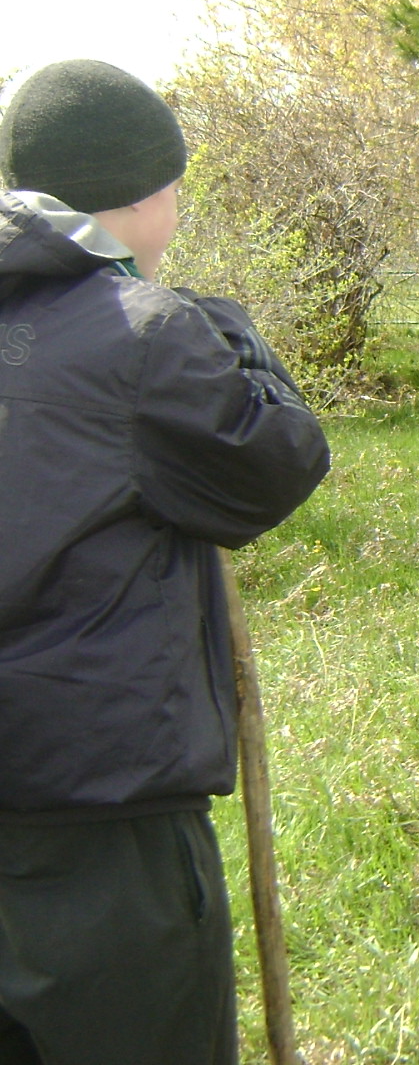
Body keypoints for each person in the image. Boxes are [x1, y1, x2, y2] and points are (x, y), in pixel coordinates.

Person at [0, 59, 331, 1063]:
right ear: (141, 193)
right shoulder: (146, 337)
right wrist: (223, 326)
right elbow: (278, 462)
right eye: (173, 183)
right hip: (97, 817)